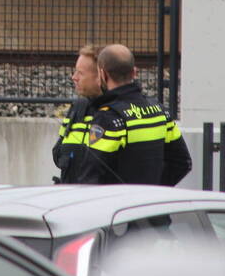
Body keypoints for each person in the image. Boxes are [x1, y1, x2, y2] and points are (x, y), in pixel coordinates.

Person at [81, 44, 191, 185]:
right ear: (134, 72)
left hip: (120, 198)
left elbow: (91, 175)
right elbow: (182, 163)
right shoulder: (160, 111)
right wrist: (155, 190)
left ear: (103, 74)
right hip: (151, 198)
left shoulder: (108, 118)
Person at [52, 44, 103, 183]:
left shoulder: (114, 112)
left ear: (101, 76)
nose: (74, 77)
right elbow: (58, 151)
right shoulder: (78, 107)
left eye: (80, 73)